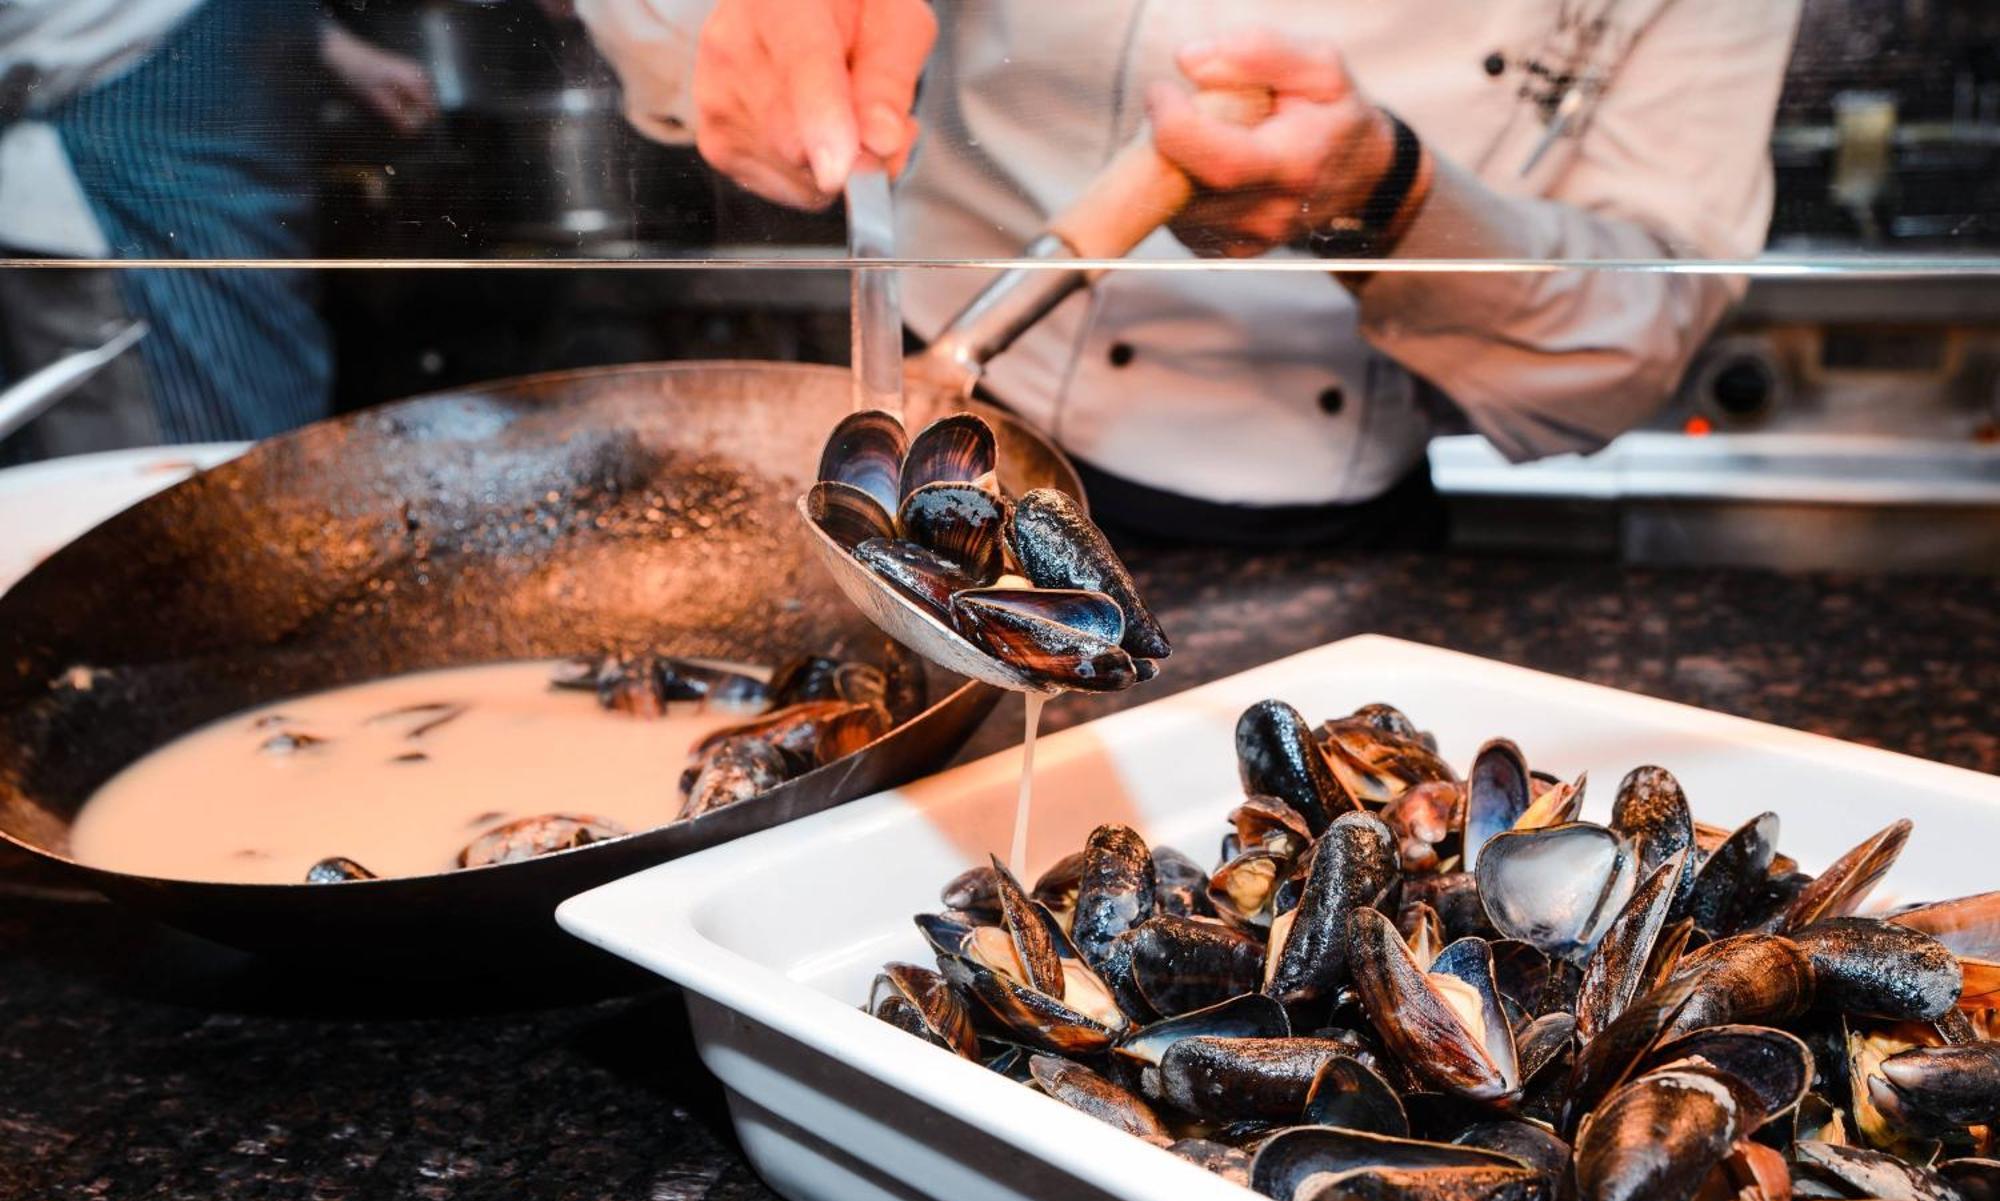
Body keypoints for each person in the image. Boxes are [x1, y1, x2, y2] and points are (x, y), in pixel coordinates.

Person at [579, 0, 1801, 547]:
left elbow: (1632, 337)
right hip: (933, 446)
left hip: (1329, 529)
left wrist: (1380, 193)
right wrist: (731, 32)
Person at [0, 0, 436, 462]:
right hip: (109, 136)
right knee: (178, 484)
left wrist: (335, 47)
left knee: (265, 459)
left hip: (215, 116)